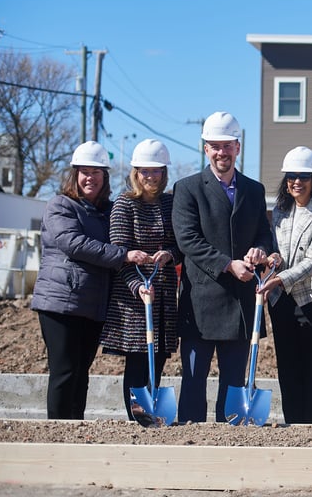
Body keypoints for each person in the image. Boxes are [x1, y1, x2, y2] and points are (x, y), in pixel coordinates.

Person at [31, 141, 148, 419]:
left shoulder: (108, 211)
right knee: (64, 371)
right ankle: (57, 432)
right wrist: (124, 254)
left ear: (104, 178)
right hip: (60, 304)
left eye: (96, 173)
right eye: (84, 172)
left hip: (93, 305)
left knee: (81, 373)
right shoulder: (60, 205)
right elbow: (74, 244)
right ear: (74, 175)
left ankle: (75, 427)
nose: (89, 178)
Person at [172, 112, 274, 423]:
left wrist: (261, 250)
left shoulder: (254, 190)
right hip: (200, 301)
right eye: (215, 146)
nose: (221, 153)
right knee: (193, 382)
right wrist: (227, 265)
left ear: (237, 148)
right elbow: (187, 239)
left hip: (240, 302)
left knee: (234, 383)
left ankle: (231, 445)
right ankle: (190, 442)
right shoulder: (188, 188)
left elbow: (263, 233)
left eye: (227, 146)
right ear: (205, 149)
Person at [100, 139, 182, 422]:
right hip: (134, 298)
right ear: (136, 173)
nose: (150, 177)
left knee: (157, 359)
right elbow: (119, 253)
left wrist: (169, 255)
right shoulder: (125, 204)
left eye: (156, 171)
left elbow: (181, 245)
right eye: (144, 171)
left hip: (164, 295)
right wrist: (138, 286)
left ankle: (154, 415)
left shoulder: (171, 203)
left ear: (163, 172)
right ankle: (137, 421)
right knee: (137, 363)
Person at [258, 146, 312, 424]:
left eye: (303, 177)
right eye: (291, 176)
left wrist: (280, 278)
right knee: (288, 366)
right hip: (283, 301)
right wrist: (273, 259)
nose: (297, 182)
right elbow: (278, 249)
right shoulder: (279, 211)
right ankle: (293, 423)